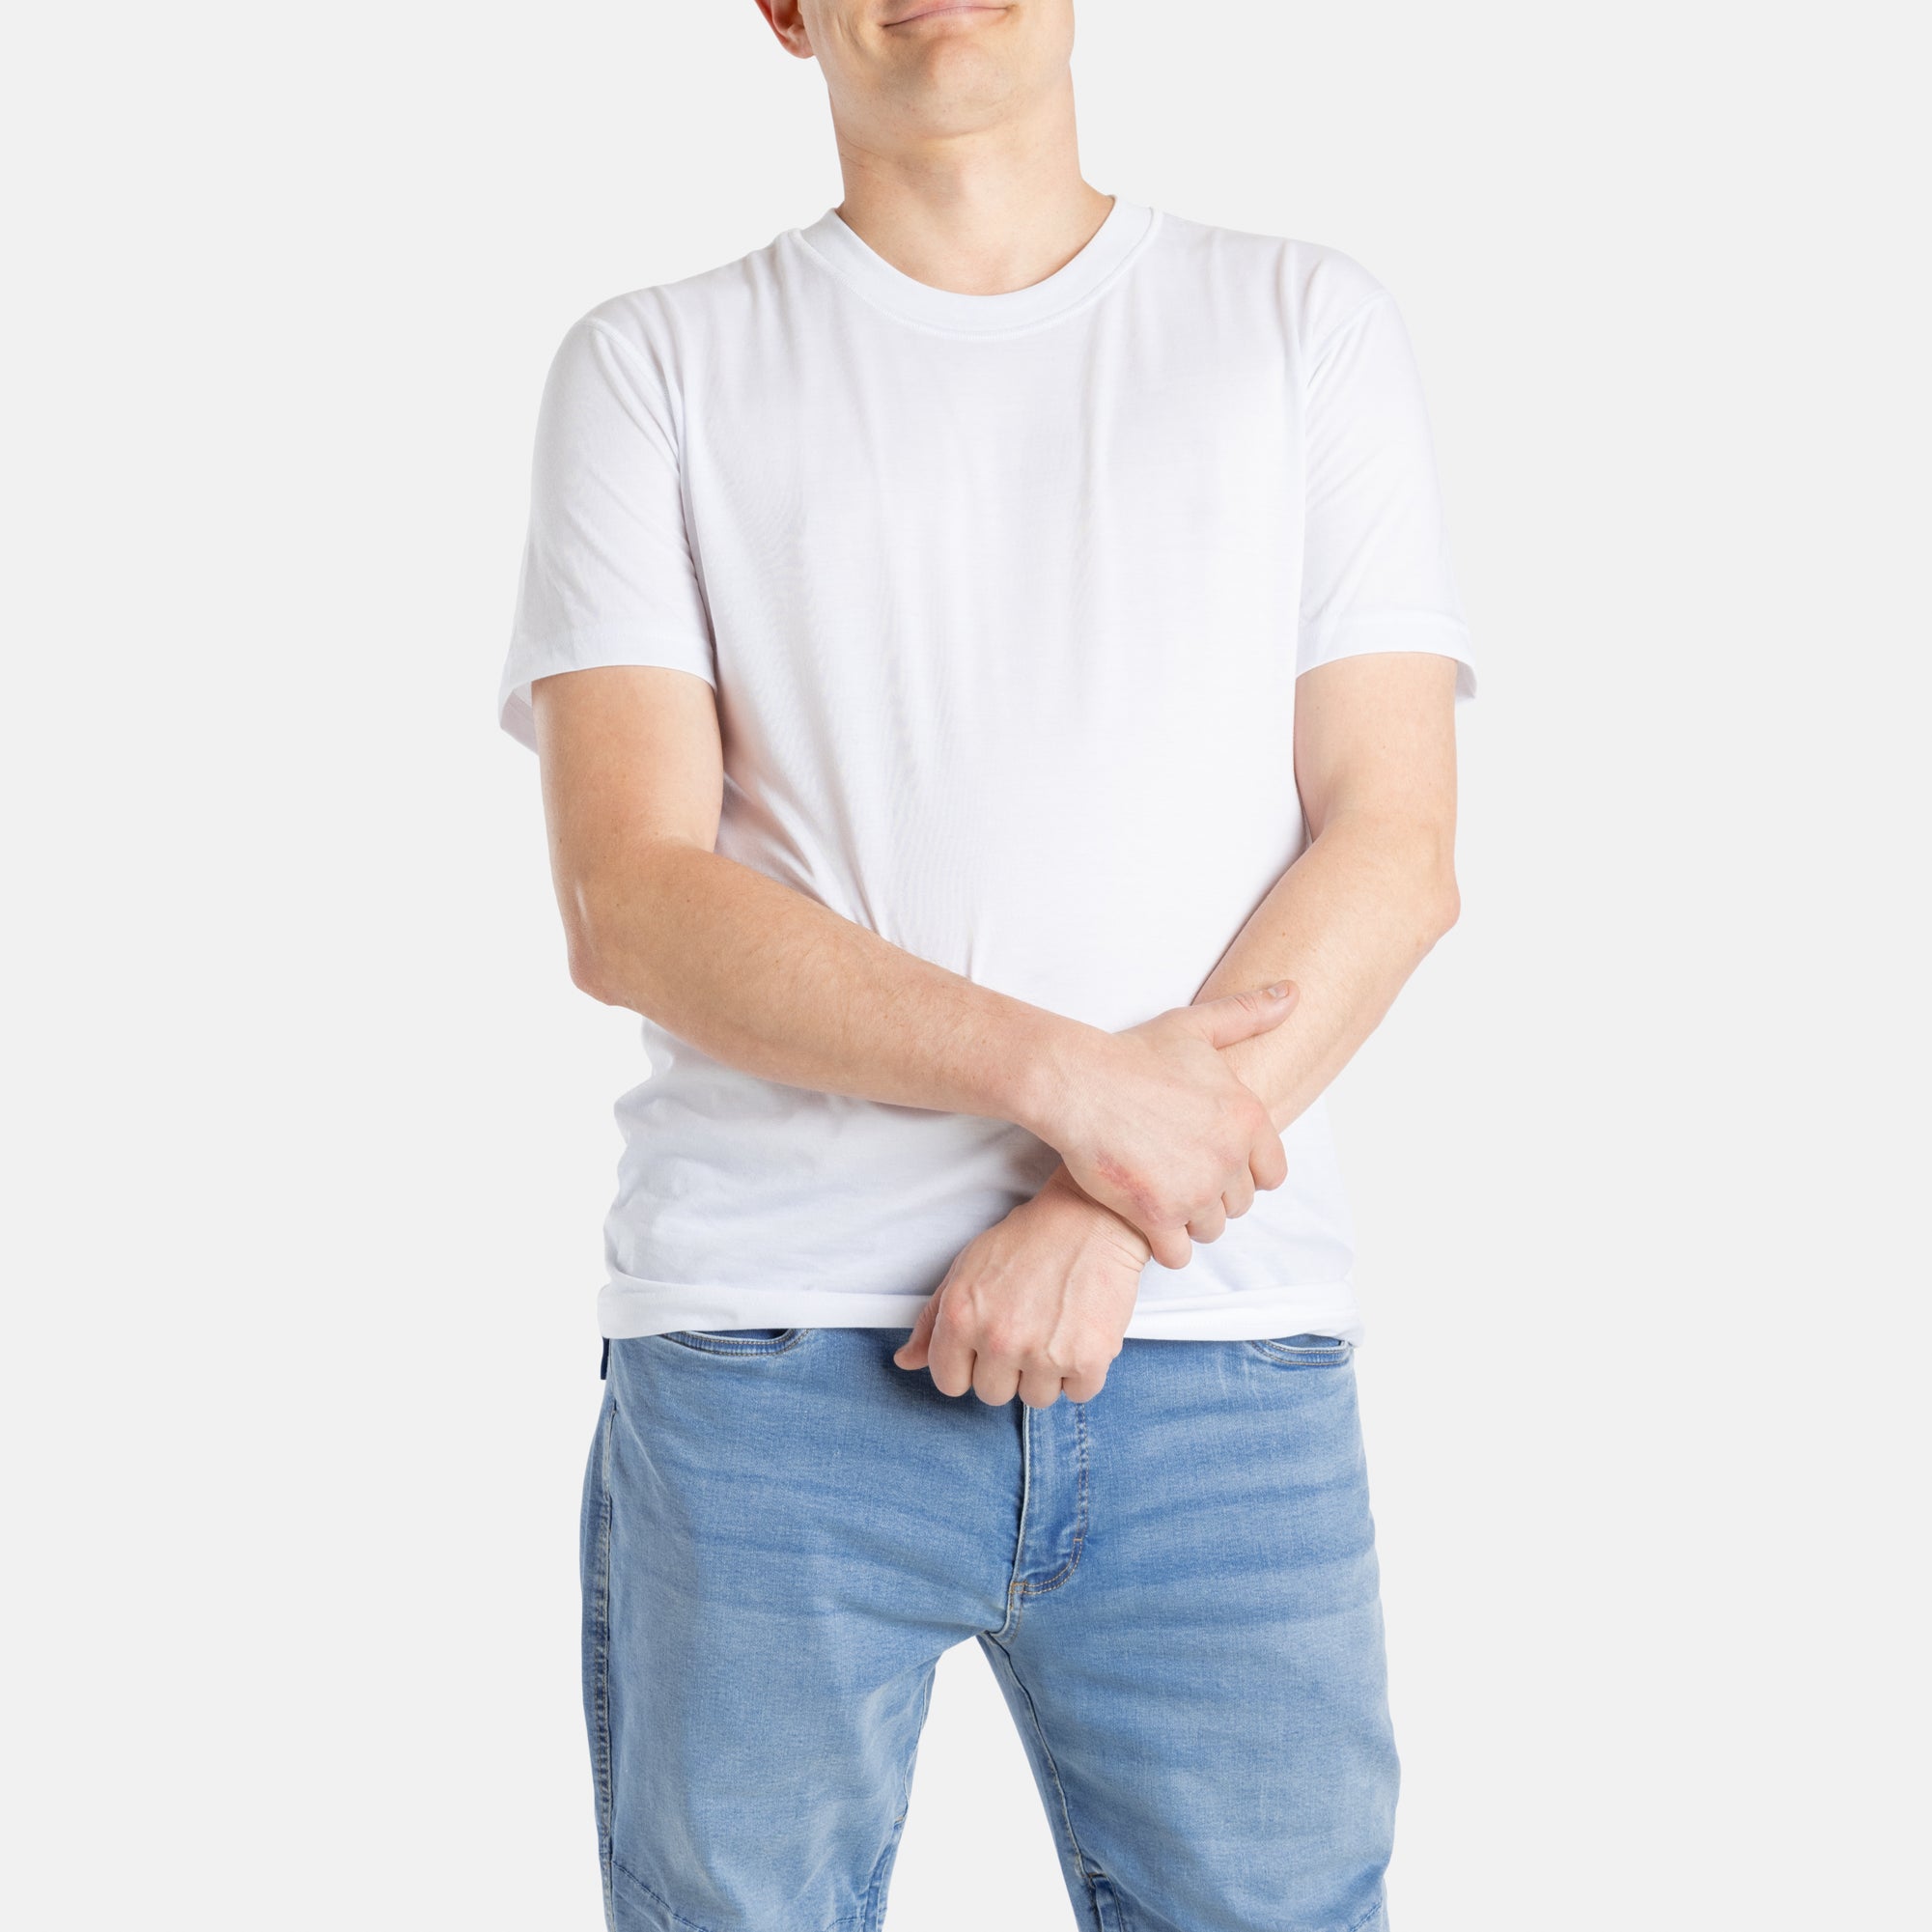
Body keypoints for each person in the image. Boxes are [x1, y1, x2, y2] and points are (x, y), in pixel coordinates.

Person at [497, 4, 1473, 1926]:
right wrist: (1063, 1076)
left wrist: (1105, 1209)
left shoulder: (1300, 323)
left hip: (1211, 1357)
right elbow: (632, 894)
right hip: (769, 1348)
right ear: (778, 10)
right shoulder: (653, 365)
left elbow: (1391, 844)